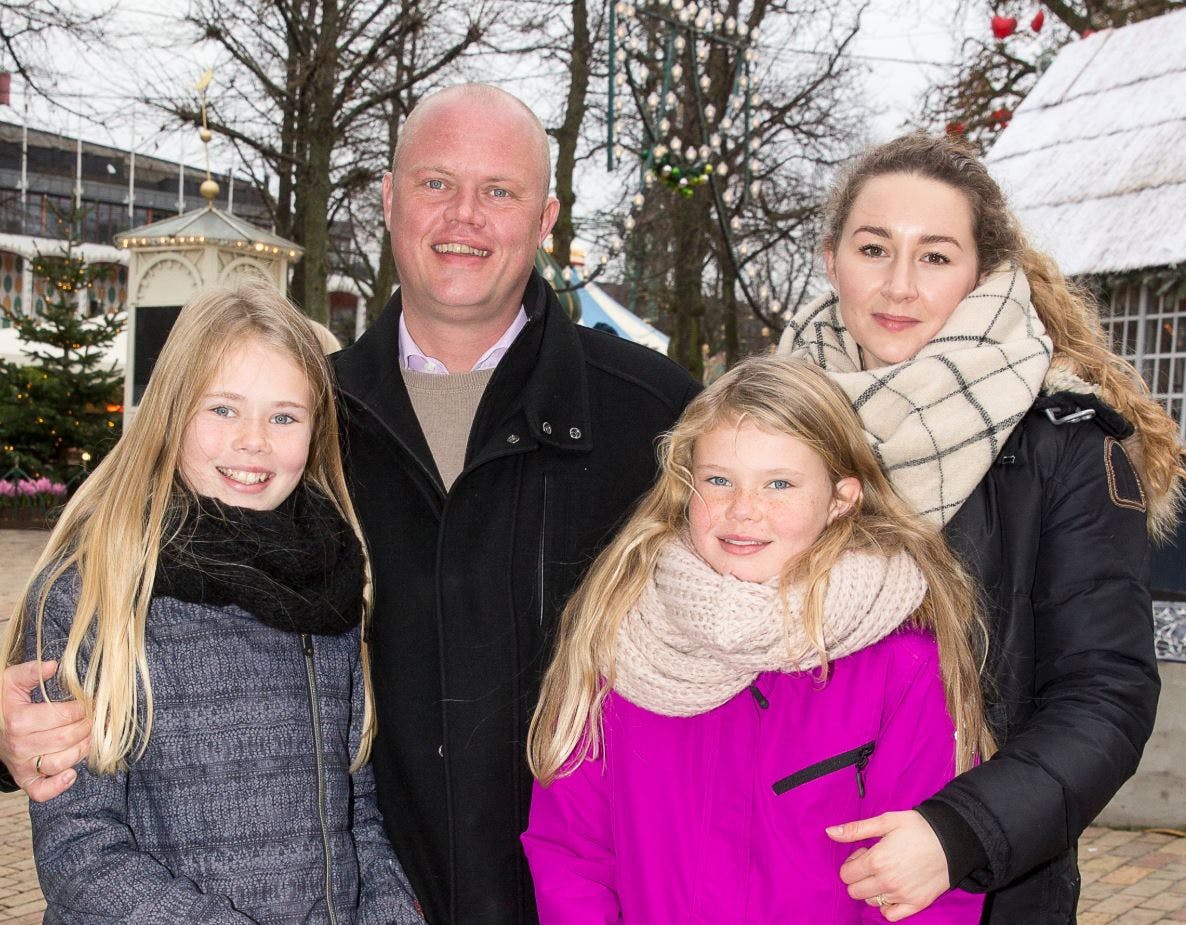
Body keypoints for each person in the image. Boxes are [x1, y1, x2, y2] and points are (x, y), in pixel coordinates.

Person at [0, 82, 699, 924]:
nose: (464, 216)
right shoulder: (307, 422)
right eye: (437, 182)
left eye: (499, 191)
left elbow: (787, 619)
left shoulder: (655, 417)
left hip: (583, 901)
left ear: (545, 217)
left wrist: (907, 814)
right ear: (390, 199)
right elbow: (123, 622)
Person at [778, 133, 1184, 922]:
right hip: (783, 863)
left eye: (934, 256)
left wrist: (960, 832)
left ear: (981, 273)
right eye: (873, 248)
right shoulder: (771, 425)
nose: (899, 285)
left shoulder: (1064, 443)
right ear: (832, 260)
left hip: (974, 882)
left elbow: (1107, 691)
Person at [0, 283, 422, 923]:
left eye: (284, 416)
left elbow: (356, 806)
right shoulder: (94, 593)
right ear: (170, 413)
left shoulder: (330, 586)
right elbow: (81, 852)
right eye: (223, 409)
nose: (253, 441)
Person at [522, 355, 991, 922]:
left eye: (779, 484)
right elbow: (573, 852)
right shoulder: (621, 637)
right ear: (685, 486)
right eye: (719, 480)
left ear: (841, 498)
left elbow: (924, 890)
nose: (743, 511)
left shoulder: (901, 664)